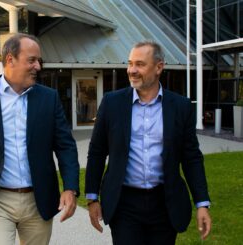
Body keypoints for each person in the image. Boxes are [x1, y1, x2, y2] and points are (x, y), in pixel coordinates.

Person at [0, 33, 80, 245]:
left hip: (39, 201)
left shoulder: (49, 98)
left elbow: (66, 147)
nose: (38, 66)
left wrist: (70, 188)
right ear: (10, 59)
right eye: (32, 60)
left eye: (39, 61)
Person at [85, 41, 211, 244]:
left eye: (140, 64)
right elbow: (97, 151)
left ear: (159, 67)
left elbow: (191, 157)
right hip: (124, 204)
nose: (131, 70)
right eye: (130, 63)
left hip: (165, 204)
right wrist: (92, 198)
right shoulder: (112, 103)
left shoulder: (180, 106)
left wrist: (202, 204)